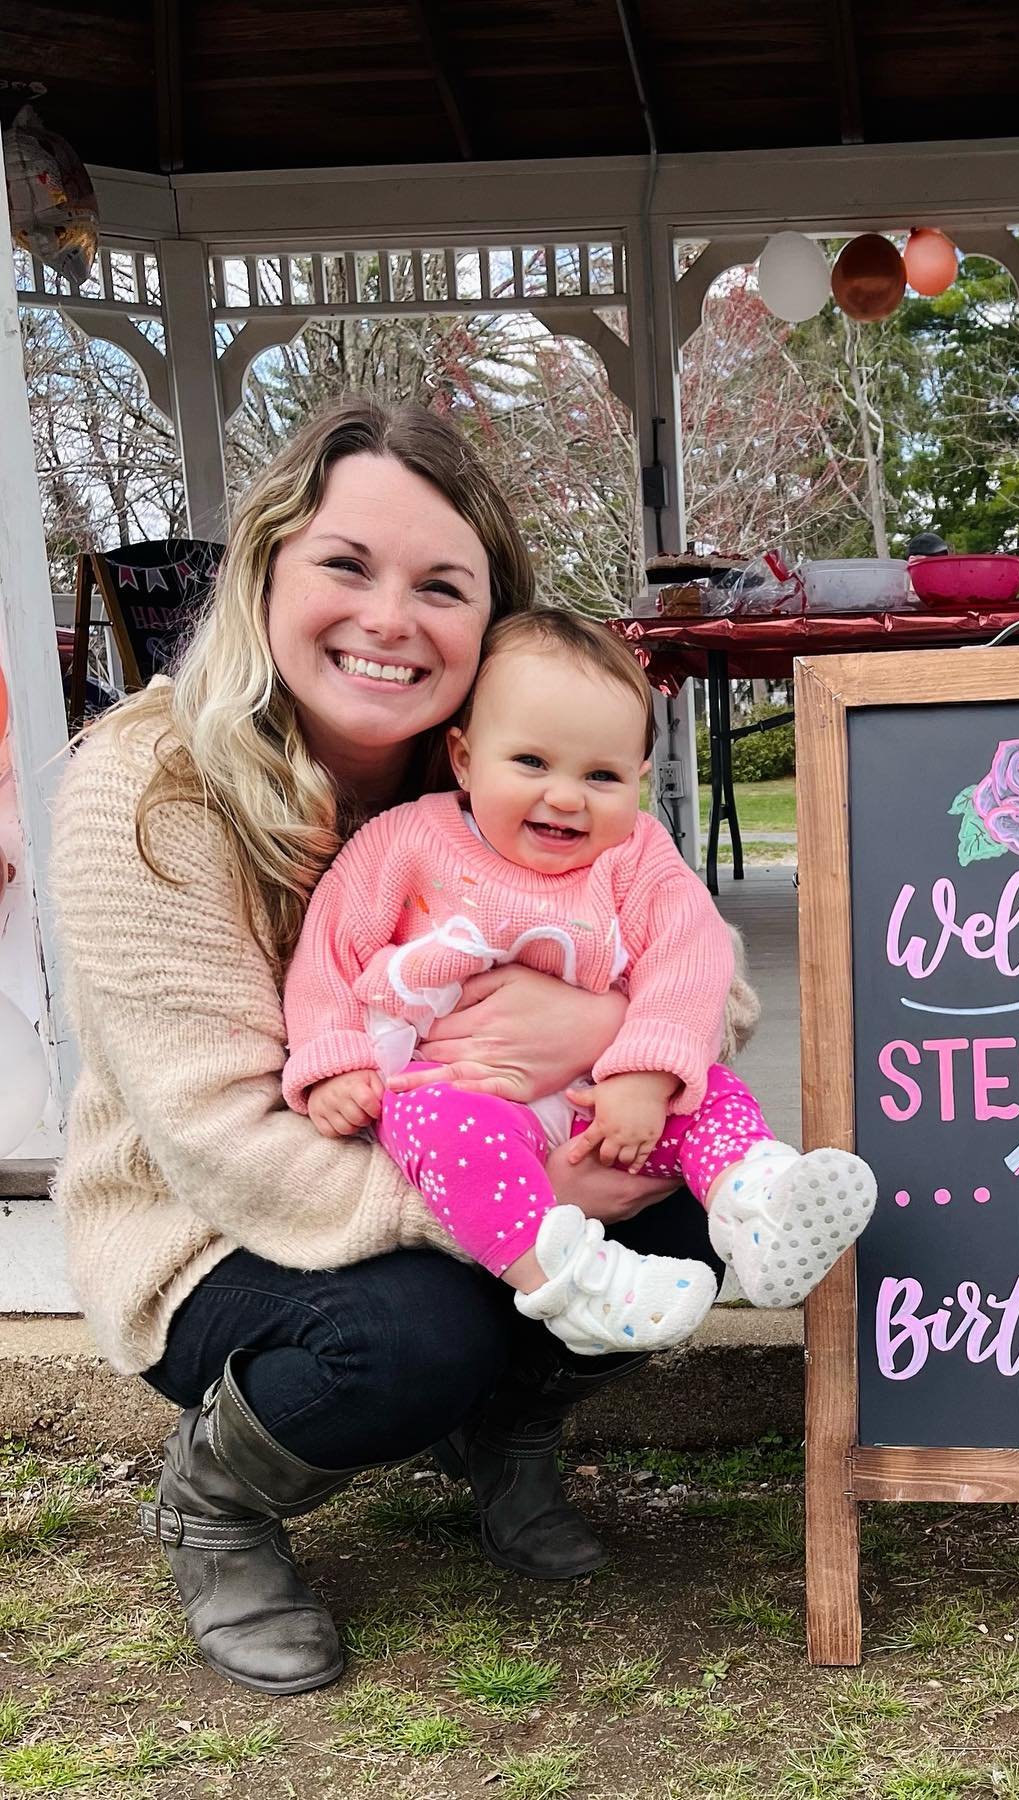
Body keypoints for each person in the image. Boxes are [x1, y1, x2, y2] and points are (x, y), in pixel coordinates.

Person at [48, 398, 760, 1699]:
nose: (389, 619)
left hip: (493, 1152)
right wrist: (518, 1209)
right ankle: (216, 1507)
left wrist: (605, 1031)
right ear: (266, 572)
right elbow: (220, 1145)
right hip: (222, 1220)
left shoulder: (514, 769)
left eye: (441, 585)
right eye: (345, 565)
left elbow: (706, 972)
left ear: (492, 631)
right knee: (415, 1332)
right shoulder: (140, 793)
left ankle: (500, 1435)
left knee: (690, 1204)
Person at [281, 608, 876, 1353]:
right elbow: (328, 953)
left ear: (637, 780)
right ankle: (572, 1283)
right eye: (531, 763)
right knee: (443, 1130)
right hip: (464, 1094)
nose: (566, 797)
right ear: (464, 760)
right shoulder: (405, 841)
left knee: (714, 1094)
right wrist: (334, 1063)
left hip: (603, 1100)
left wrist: (646, 1074)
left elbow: (689, 959)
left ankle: (757, 1205)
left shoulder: (636, 854)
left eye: (601, 775)